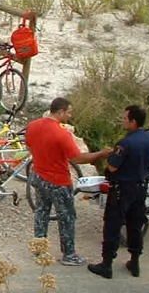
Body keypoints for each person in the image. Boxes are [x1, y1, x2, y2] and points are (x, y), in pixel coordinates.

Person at [26, 97, 113, 267]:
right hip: (58, 181)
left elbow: (29, 146)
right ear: (60, 111)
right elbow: (78, 158)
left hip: (38, 176)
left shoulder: (33, 126)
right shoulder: (62, 133)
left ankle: (39, 249)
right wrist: (100, 154)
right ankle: (69, 254)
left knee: (41, 212)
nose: (70, 115)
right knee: (66, 217)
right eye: (69, 112)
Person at [87, 105, 149, 279]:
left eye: (125, 118)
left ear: (133, 122)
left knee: (112, 225)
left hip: (122, 189)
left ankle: (107, 265)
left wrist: (107, 158)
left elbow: (112, 166)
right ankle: (134, 262)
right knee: (135, 225)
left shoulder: (125, 143)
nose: (122, 120)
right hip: (140, 187)